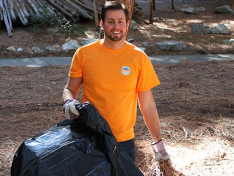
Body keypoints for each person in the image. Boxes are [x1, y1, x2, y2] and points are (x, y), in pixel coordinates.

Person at [62, 1, 170, 163]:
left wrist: (158, 144)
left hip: (124, 142)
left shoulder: (139, 58)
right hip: (90, 138)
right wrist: (68, 102)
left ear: (127, 24)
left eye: (120, 21)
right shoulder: (83, 54)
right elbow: (70, 89)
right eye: (110, 21)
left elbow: (147, 105)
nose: (116, 26)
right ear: (102, 24)